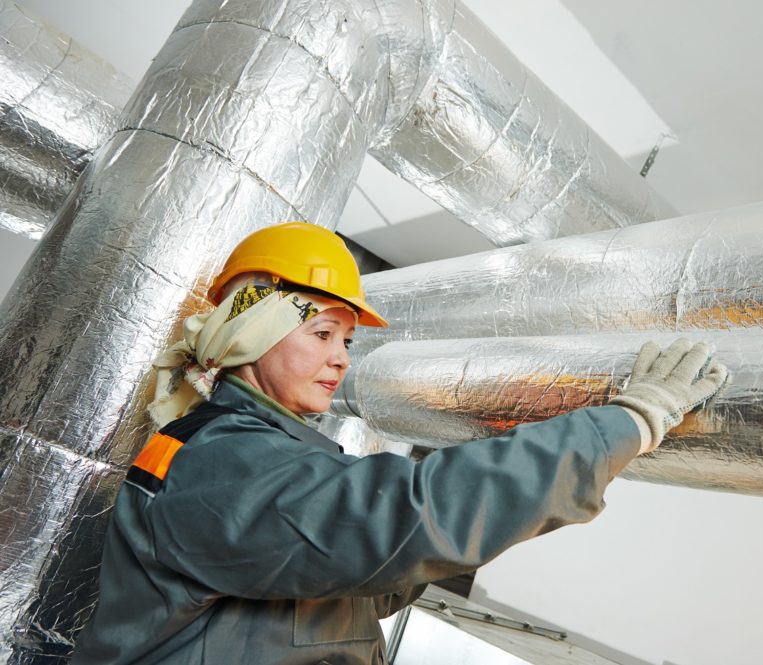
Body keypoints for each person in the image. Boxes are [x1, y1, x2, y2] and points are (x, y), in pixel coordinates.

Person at [71, 222, 727, 664]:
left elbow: (362, 586)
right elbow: (400, 520)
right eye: (323, 333)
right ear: (252, 328)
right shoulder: (217, 461)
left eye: (347, 342)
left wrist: (486, 504)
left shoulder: (272, 460)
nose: (340, 360)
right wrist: (627, 422)